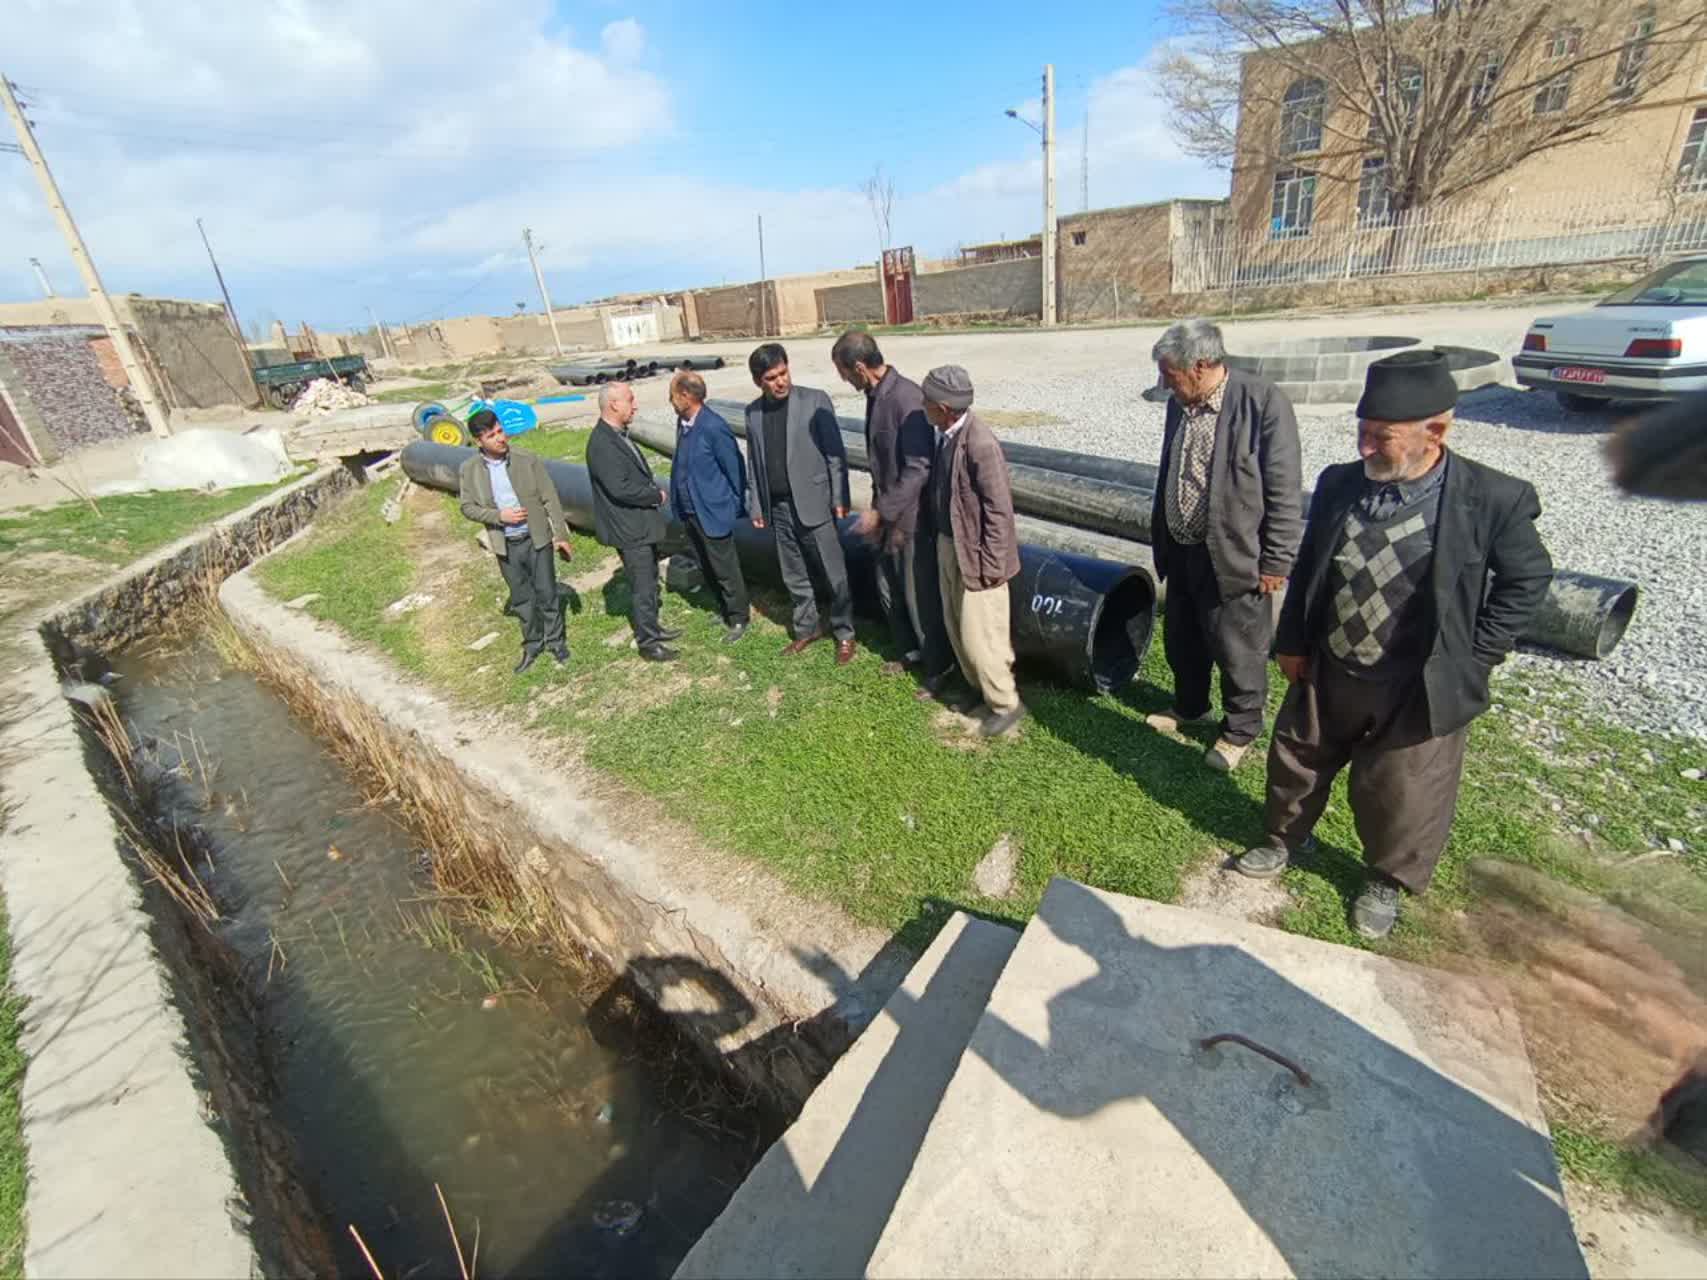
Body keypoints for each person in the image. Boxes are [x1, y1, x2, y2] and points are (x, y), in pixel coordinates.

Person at [1234, 349, 1553, 939]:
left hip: (1417, 680)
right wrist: (1294, 639)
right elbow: (1312, 566)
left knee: (1405, 787)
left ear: (1437, 430)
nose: (1364, 447)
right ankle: (1283, 840)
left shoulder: (1492, 499)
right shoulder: (1339, 483)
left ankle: (1386, 879)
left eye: (1381, 436)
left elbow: (1528, 579)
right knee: (1299, 756)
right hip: (1332, 663)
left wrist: (1480, 652)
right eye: (1362, 432)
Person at [1145, 317, 1303, 772]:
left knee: (1238, 647)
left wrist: (1276, 559)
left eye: (1169, 374)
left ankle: (1240, 730)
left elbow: (1284, 489)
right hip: (1182, 547)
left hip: (1236, 556)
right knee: (1184, 638)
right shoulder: (1181, 403)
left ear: (1200, 365)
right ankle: (1191, 708)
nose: (1164, 383)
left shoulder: (1263, 402)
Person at [831, 328, 951, 682]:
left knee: (919, 598)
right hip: (885, 517)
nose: (841, 379)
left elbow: (919, 469)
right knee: (888, 590)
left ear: (858, 367)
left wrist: (881, 512)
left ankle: (938, 668)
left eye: (841, 371)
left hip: (909, 521)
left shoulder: (907, 399)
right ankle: (910, 652)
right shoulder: (876, 393)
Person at [921, 365, 1025, 737]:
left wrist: (992, 566)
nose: (922, 406)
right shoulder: (946, 435)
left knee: (982, 636)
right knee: (956, 625)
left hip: (979, 557)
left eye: (927, 401)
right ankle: (978, 690)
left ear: (945, 407)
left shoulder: (979, 442)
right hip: (951, 546)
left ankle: (1005, 705)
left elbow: (999, 510)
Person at [743, 343, 857, 664]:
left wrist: (839, 497)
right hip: (778, 508)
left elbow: (835, 454)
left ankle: (845, 632)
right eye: (771, 378)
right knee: (793, 573)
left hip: (815, 502)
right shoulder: (753, 414)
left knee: (834, 572)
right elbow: (754, 463)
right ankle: (807, 628)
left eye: (783, 373)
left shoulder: (814, 401)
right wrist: (756, 505)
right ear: (758, 382)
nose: (780, 382)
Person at [457, 408, 574, 673]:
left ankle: (556, 642)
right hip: (505, 544)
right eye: (492, 435)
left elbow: (549, 497)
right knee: (522, 598)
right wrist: (499, 516)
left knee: (546, 591)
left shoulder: (526, 459)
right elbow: (467, 507)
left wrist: (561, 535)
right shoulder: (470, 470)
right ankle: (533, 644)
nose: (501, 438)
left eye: (500, 431)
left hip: (536, 539)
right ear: (479, 441)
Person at [586, 381, 681, 662]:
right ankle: (649, 644)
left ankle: (654, 628)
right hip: (630, 529)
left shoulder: (616, 434)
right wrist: (655, 495)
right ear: (614, 404)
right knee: (642, 586)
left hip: (639, 525)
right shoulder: (602, 442)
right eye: (630, 399)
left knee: (649, 580)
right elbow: (620, 488)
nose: (635, 404)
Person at [668, 371, 751, 643]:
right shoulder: (683, 423)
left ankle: (739, 617)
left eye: (672, 395)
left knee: (725, 567)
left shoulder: (714, 426)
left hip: (712, 511)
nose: (670, 401)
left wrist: (733, 505)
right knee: (706, 564)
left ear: (686, 396)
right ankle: (724, 608)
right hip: (691, 511)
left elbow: (735, 469)